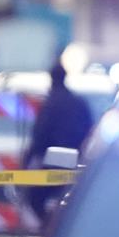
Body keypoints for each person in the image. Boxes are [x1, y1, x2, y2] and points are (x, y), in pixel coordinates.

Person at [24, 59, 94, 224]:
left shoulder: (51, 103)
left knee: (35, 197)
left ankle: (50, 228)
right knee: (73, 200)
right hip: (77, 159)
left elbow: (40, 134)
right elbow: (90, 130)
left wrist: (29, 159)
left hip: (54, 159)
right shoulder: (78, 102)